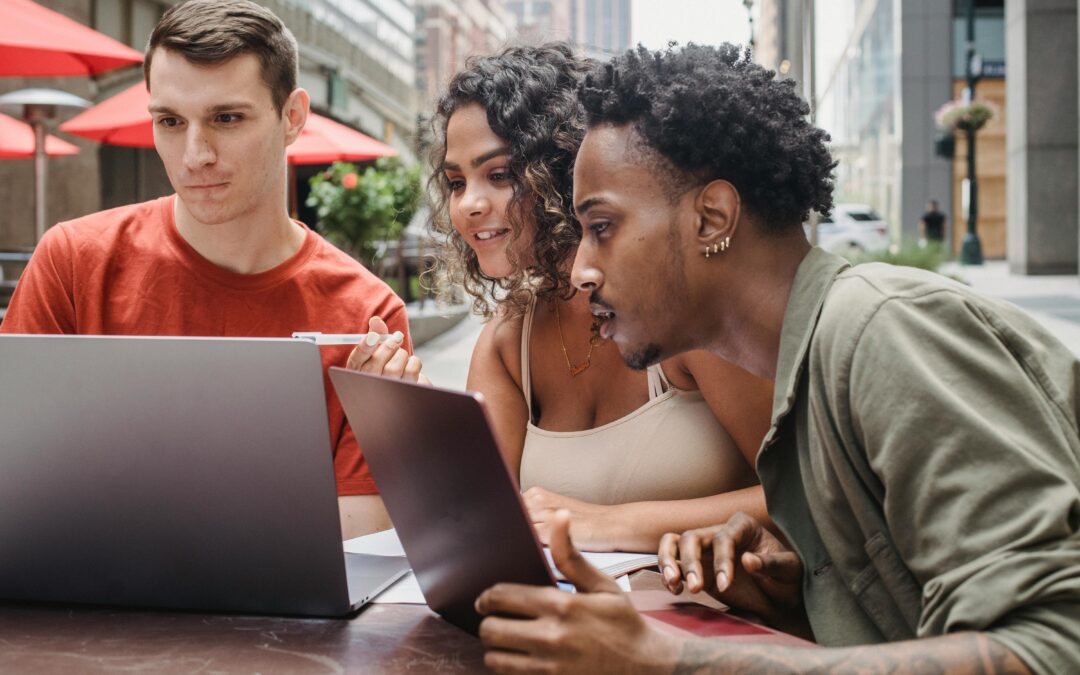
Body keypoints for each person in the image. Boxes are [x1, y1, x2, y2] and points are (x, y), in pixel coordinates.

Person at [475, 43, 1079, 673]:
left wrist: (674, 662)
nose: (581, 270)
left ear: (712, 217)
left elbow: (1051, 649)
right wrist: (799, 598)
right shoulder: (802, 382)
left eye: (602, 228)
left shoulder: (878, 329)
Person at [0, 0, 412, 540]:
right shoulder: (73, 261)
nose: (195, 154)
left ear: (292, 118)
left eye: (226, 118)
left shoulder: (368, 315)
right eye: (170, 121)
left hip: (276, 623)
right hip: (80, 611)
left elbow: (361, 538)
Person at [392, 43, 773, 554]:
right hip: (566, 624)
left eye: (500, 174)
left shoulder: (682, 315)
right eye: (457, 182)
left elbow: (807, 497)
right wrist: (403, 425)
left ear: (568, 167)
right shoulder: (508, 342)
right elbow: (474, 527)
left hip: (710, 623)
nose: (469, 205)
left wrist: (612, 524)